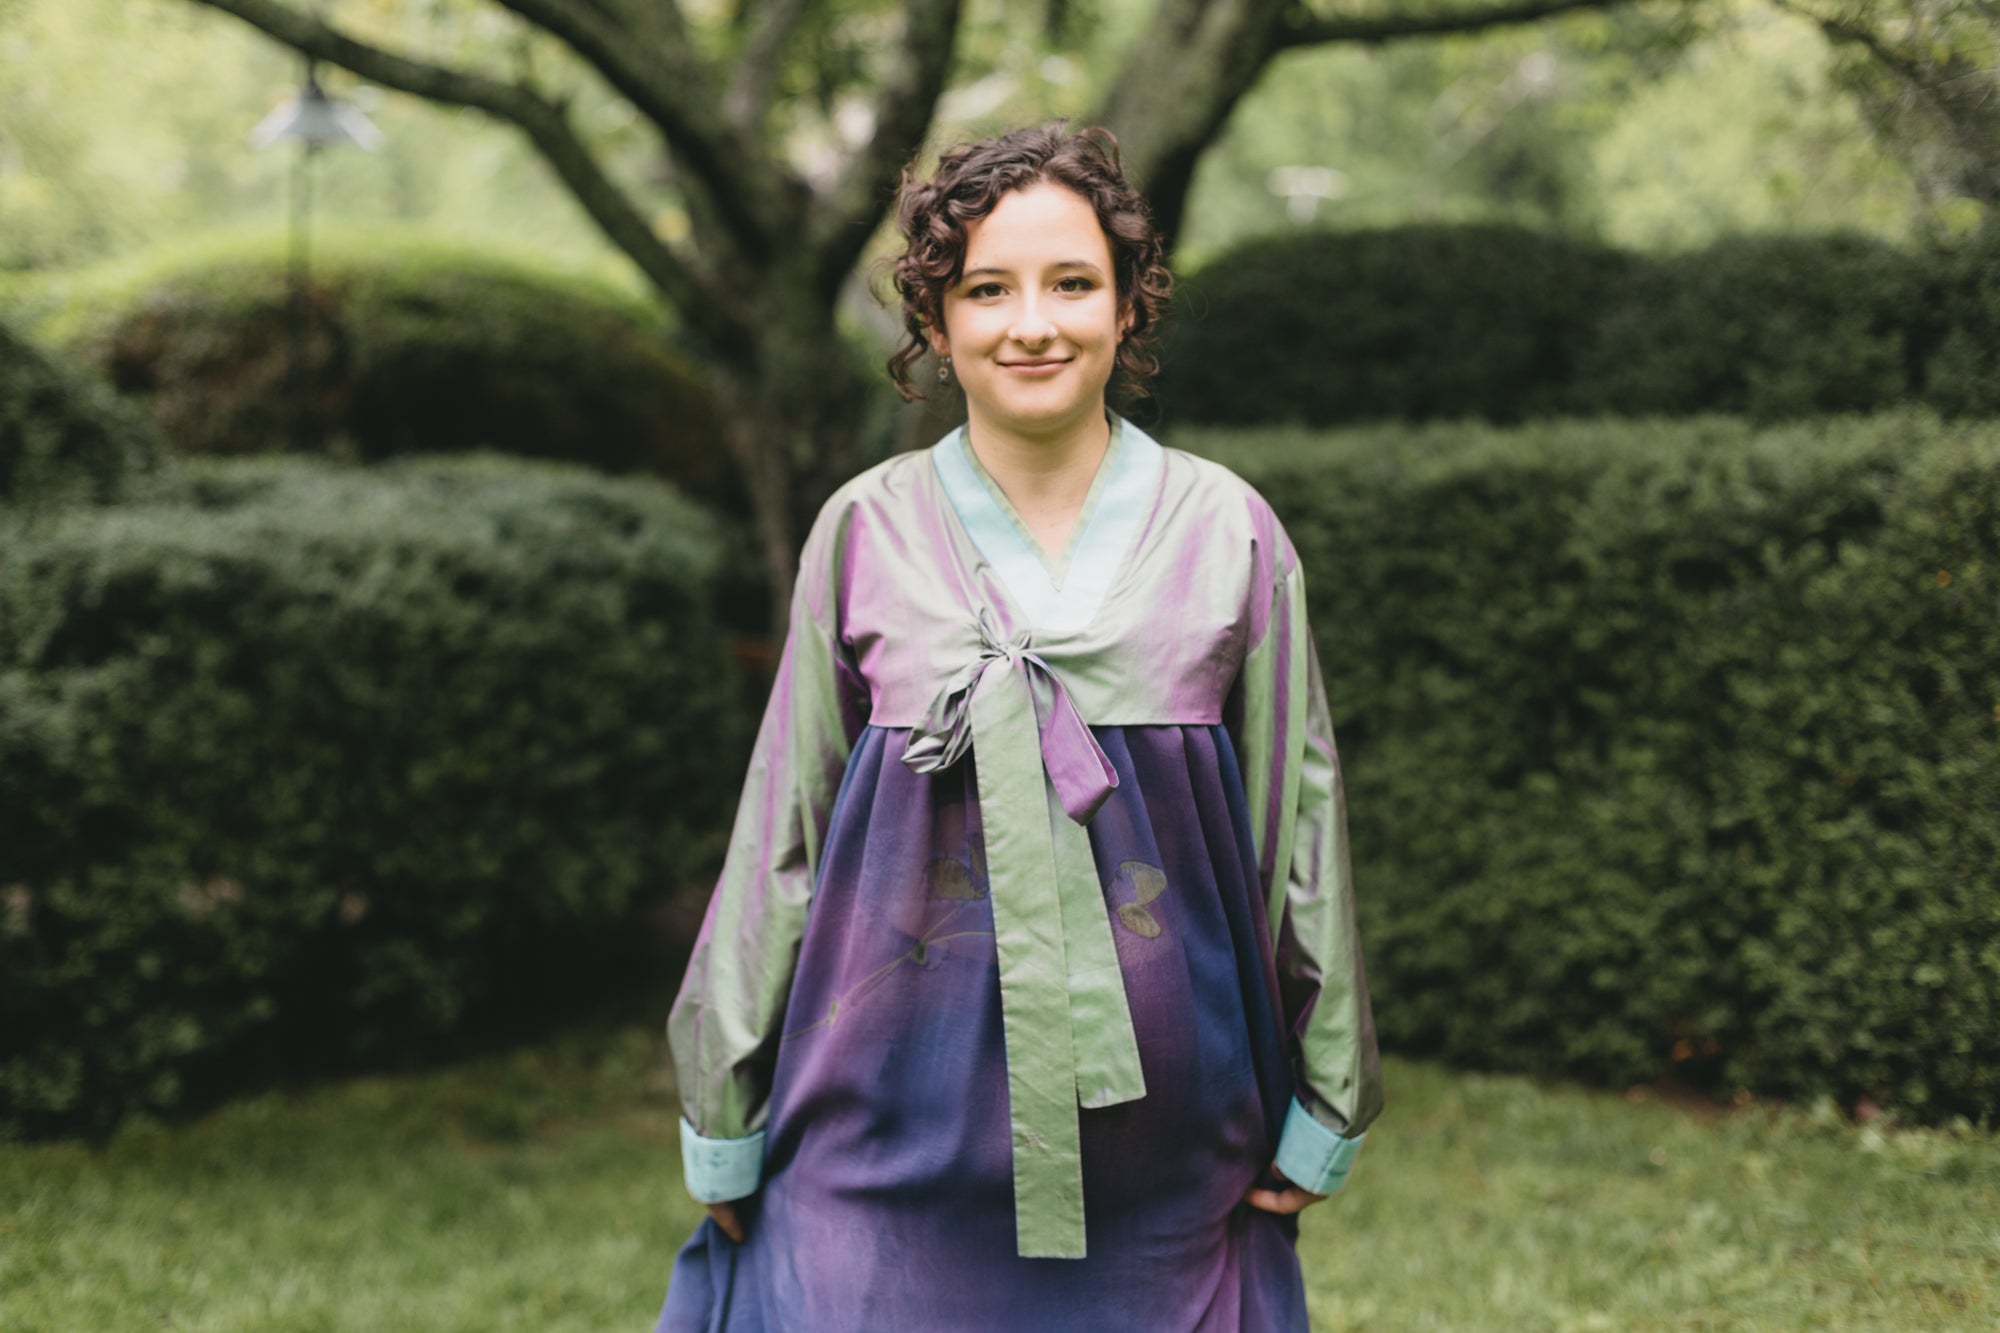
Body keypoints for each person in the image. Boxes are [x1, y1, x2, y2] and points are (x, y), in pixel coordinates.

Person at [654, 123, 1382, 1332]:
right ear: (933, 322)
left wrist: (1328, 1100)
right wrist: (724, 1108)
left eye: (1071, 283)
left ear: (1127, 309)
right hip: (876, 1142)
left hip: (1165, 1156)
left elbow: (1295, 829)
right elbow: (781, 833)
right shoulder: (862, 533)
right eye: (985, 288)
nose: (1030, 322)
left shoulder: (1228, 534)